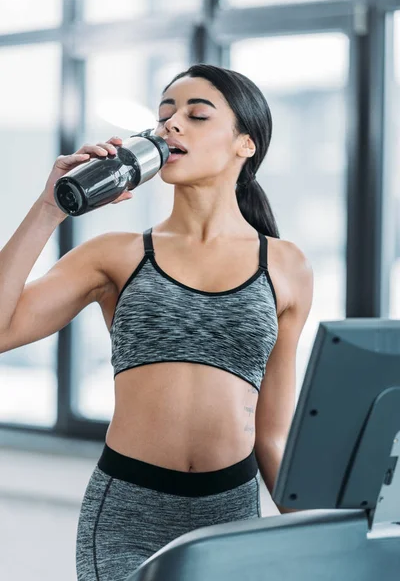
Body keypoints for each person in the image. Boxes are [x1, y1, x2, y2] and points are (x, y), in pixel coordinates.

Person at [0, 64, 313, 580]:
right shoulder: (115, 255)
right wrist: (48, 208)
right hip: (126, 513)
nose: (171, 125)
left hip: (228, 512)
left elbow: (272, 436)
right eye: (165, 115)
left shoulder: (286, 266)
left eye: (196, 114)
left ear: (246, 144)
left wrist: (331, 539)